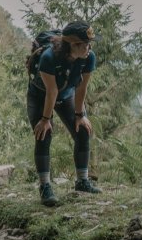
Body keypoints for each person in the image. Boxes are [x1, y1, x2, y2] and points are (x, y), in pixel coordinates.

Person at [27, 20, 101, 206]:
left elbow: (82, 88)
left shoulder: (88, 57)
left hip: (66, 95)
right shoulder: (49, 58)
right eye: (85, 44)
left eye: (90, 44)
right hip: (41, 96)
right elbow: (51, 91)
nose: (89, 48)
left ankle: (82, 181)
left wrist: (80, 115)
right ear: (72, 45)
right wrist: (45, 119)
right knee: (44, 134)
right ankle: (45, 187)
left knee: (83, 130)